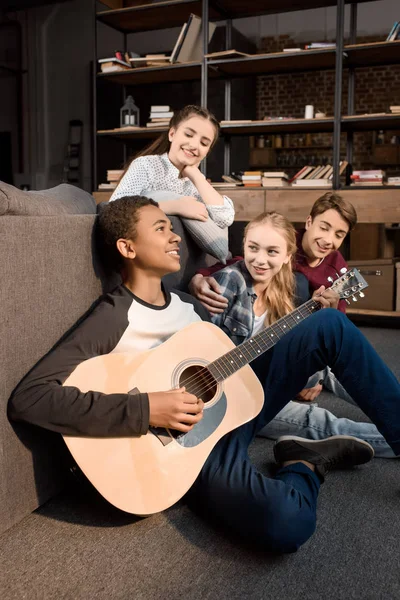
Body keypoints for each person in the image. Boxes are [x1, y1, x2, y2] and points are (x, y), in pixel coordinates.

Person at [8, 196, 400, 554]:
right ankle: (305, 463)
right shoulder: (114, 315)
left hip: (231, 410)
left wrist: (296, 364)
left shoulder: (188, 305)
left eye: (172, 226)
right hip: (187, 452)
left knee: (328, 324)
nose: (175, 235)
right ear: (127, 248)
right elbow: (32, 397)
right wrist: (147, 408)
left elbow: (228, 363)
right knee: (288, 524)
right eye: (161, 228)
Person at [192, 207, 397, 459]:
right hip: (232, 397)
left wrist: (309, 376)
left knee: (332, 370)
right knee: (319, 421)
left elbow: (293, 366)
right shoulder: (230, 281)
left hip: (263, 378)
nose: (259, 259)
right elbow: (199, 356)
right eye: (253, 248)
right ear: (243, 246)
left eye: (272, 252)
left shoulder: (285, 290)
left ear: (288, 256)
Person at [109, 104, 234, 261]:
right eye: (188, 135)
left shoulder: (195, 183)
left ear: (207, 152)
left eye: (204, 143)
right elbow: (114, 209)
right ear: (172, 134)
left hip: (183, 262)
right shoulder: (146, 165)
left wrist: (195, 175)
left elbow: (224, 219)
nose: (194, 145)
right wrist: (176, 206)